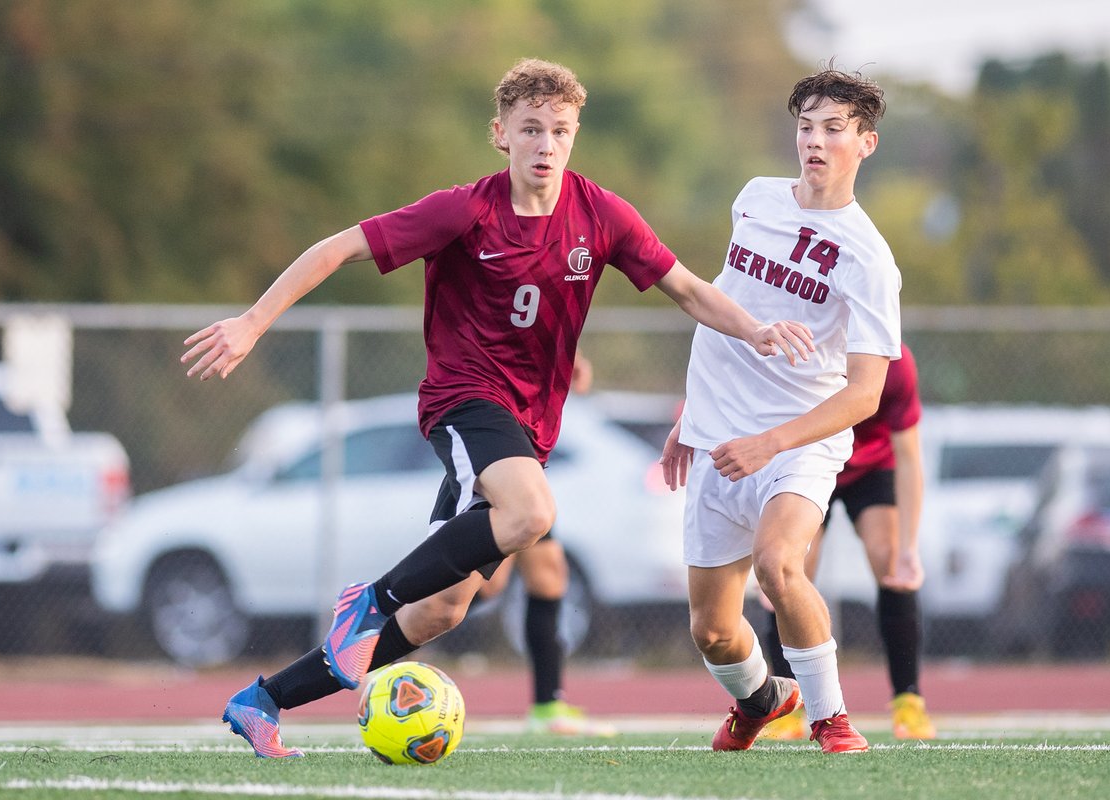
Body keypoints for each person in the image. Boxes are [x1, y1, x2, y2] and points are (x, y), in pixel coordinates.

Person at [181, 57, 813, 758]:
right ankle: (367, 600)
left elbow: (689, 289)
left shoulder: (601, 215)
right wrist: (251, 321)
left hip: (527, 426)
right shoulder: (465, 210)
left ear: (575, 136)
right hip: (463, 400)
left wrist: (755, 329)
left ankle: (264, 699)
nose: (547, 145)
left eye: (561, 131)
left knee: (441, 610)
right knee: (531, 512)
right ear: (500, 135)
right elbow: (337, 249)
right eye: (531, 129)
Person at [660, 64, 900, 755]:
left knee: (778, 563)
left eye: (833, 129)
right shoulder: (756, 198)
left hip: (797, 443)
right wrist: (690, 418)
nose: (815, 141)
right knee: (710, 629)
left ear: (866, 144)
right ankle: (762, 698)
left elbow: (865, 394)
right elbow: (726, 307)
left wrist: (770, 443)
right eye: (805, 127)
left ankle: (831, 718)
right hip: (716, 438)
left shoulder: (870, 259)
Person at [760, 341, 936, 740]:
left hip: (869, 468)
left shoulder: (896, 364)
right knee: (787, 568)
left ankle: (908, 701)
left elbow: (909, 457)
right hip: (807, 462)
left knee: (890, 559)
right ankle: (788, 703)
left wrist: (909, 548)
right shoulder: (803, 352)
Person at [474, 349, 616, 737]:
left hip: (522, 450)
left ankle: (547, 706)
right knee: (485, 585)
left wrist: (572, 356)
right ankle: (380, 635)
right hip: (490, 439)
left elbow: (541, 319)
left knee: (548, 573)